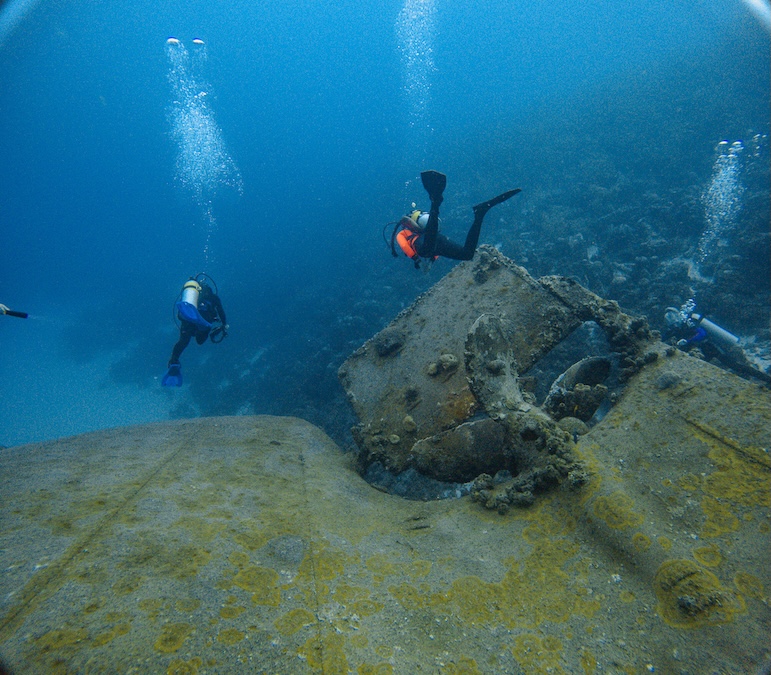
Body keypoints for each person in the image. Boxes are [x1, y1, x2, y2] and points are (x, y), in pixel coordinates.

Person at [390, 170, 520, 268]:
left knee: (427, 249)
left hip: (426, 245)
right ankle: (479, 214)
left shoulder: (402, 233)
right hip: (435, 240)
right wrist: (433, 259)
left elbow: (404, 245)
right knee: (467, 254)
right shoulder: (423, 232)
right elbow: (432, 243)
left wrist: (416, 259)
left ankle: (435, 202)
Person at [162, 275, 228, 387]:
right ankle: (201, 331)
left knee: (183, 342)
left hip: (187, 321)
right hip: (203, 323)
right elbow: (221, 312)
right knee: (200, 341)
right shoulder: (214, 298)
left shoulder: (191, 296)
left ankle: (174, 361)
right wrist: (224, 325)